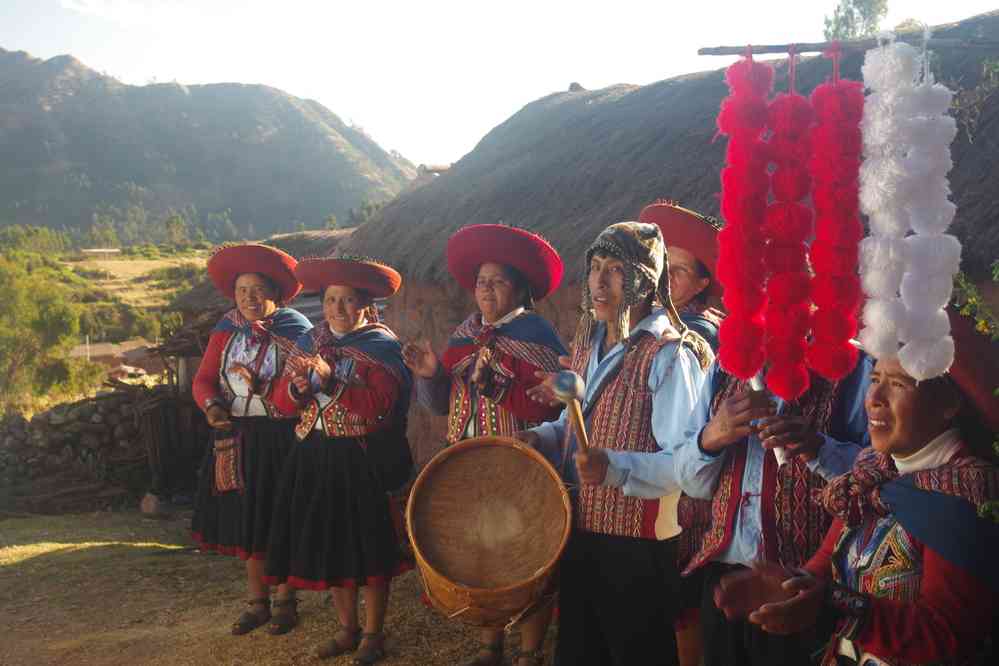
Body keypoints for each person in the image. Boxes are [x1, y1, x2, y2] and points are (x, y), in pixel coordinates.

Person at [713, 308, 999, 665]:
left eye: (898, 384)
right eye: (875, 377)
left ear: (949, 404)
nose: (874, 398)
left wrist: (834, 607)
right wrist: (790, 585)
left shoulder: (966, 495)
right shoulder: (870, 474)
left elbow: (945, 635)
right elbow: (823, 567)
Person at [519, 221, 713, 666]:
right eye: (595, 268)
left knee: (635, 653)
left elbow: (686, 464)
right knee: (581, 652)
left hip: (638, 548)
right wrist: (543, 438)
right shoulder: (590, 345)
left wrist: (615, 467)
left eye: (616, 270)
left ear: (644, 279)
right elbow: (584, 429)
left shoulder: (670, 354)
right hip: (580, 531)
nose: (600, 282)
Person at [402, 223, 567, 666]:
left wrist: (496, 386)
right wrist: (431, 374)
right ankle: (490, 645)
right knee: (482, 551)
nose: (486, 289)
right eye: (480, 281)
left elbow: (549, 411)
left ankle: (531, 651)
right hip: (467, 462)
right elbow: (439, 405)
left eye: (497, 281)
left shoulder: (538, 338)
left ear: (521, 288)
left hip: (521, 462)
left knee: (527, 553)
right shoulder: (463, 336)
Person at [673, 330, 872, 664]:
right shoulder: (726, 366)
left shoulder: (852, 365)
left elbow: (881, 472)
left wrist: (820, 449)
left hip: (805, 586)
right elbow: (692, 483)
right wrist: (712, 436)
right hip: (723, 580)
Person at [264, 255, 412, 663]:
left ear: (366, 305)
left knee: (369, 547)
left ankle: (373, 633)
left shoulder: (382, 347)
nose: (338, 310)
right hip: (313, 454)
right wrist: (296, 389)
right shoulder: (311, 341)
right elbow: (280, 401)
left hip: (360, 459)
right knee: (335, 546)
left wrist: (330, 382)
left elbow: (381, 407)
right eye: (331, 300)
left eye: (347, 301)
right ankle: (347, 630)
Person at [190, 242, 312, 635]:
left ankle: (285, 601)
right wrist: (212, 407)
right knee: (248, 518)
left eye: (257, 290)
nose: (249, 298)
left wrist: (271, 390)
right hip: (238, 436)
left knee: (280, 517)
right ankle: (256, 602)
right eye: (242, 291)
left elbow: (301, 386)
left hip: (282, 437)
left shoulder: (297, 331)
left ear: (275, 291)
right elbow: (204, 379)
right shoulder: (227, 330)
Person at [639, 198, 725, 666]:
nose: (664, 279)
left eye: (679, 271)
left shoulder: (699, 337)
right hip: (647, 481)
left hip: (685, 487)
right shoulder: (650, 328)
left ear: (704, 284)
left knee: (682, 605)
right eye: (662, 267)